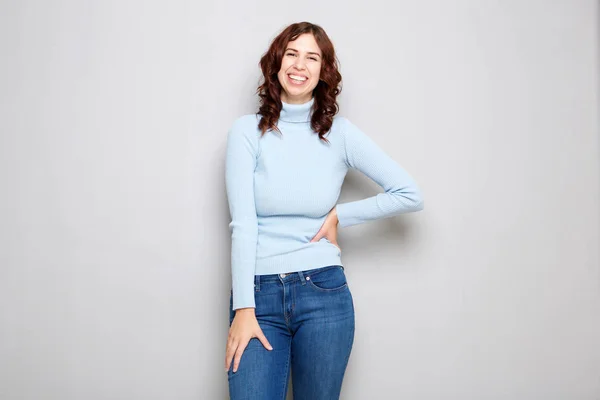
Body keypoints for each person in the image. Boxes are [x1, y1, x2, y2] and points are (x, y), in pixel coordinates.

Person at [224, 21, 424, 400]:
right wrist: (243, 308)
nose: (300, 65)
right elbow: (243, 226)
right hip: (258, 295)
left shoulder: (340, 134)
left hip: (323, 293)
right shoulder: (247, 132)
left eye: (311, 57)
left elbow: (409, 193)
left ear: (323, 71)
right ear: (277, 63)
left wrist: (339, 217)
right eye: (292, 54)